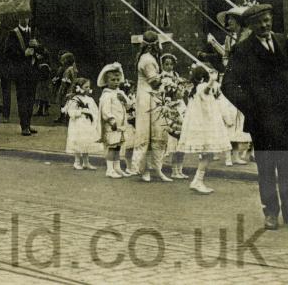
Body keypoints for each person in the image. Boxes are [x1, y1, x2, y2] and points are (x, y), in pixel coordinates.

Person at [222, 2, 288, 230]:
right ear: (252, 25)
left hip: (286, 116)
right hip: (262, 122)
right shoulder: (243, 50)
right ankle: (271, 213)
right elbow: (228, 85)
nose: (264, 25)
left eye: (267, 20)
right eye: (259, 22)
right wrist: (251, 107)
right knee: (267, 168)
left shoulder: (282, 41)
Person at [178, 65, 232, 195]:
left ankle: (198, 180)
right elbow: (206, 90)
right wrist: (212, 80)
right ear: (203, 78)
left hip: (204, 126)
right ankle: (198, 181)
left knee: (207, 154)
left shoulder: (195, 90)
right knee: (208, 154)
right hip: (206, 128)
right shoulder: (202, 87)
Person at [131, 31, 169, 182]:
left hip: (152, 97)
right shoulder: (147, 60)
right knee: (146, 132)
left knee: (157, 131)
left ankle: (157, 168)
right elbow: (154, 81)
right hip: (147, 98)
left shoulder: (150, 58)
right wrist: (167, 79)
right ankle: (144, 169)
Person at [4, 15, 39, 136]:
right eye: (23, 17)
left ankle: (28, 124)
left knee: (31, 98)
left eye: (27, 17)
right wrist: (23, 53)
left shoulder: (33, 32)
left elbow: (42, 51)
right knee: (22, 98)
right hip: (20, 71)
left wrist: (37, 46)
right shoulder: (13, 33)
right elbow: (8, 52)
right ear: (18, 18)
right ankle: (24, 126)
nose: (25, 19)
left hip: (32, 71)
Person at [97, 64, 129, 179]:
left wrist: (124, 100)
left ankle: (117, 167)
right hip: (112, 125)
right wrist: (111, 120)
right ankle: (109, 169)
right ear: (106, 81)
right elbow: (105, 110)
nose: (116, 82)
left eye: (117, 80)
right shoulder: (107, 95)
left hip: (120, 125)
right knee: (112, 146)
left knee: (117, 147)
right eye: (112, 80)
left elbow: (128, 104)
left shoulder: (119, 93)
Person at [63, 78, 101, 170]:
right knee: (78, 141)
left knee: (86, 142)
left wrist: (93, 116)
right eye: (86, 87)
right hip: (78, 124)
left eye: (89, 87)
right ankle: (76, 161)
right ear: (78, 87)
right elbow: (71, 112)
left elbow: (95, 110)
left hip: (87, 124)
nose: (88, 88)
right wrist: (81, 111)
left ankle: (86, 162)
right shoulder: (74, 99)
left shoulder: (90, 99)